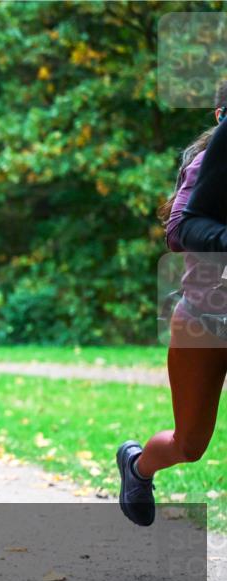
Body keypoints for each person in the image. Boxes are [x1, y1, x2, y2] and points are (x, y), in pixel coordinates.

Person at [116, 82, 227, 527]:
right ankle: (138, 467)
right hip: (203, 320)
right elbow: (178, 230)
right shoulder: (206, 164)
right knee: (189, 444)